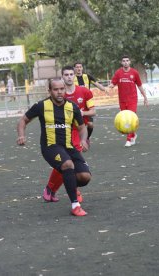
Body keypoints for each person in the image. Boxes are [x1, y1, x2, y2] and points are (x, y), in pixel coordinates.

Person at [17, 77, 91, 216]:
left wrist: (83, 140)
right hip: (50, 147)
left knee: (85, 177)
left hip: (69, 147)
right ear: (49, 91)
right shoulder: (41, 106)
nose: (59, 92)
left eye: (62, 89)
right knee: (68, 165)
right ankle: (75, 205)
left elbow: (82, 127)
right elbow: (23, 121)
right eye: (56, 89)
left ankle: (68, 185)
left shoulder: (72, 107)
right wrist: (21, 135)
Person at [43, 65, 96, 203]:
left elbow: (93, 111)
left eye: (71, 74)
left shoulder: (84, 92)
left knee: (69, 163)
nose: (69, 77)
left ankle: (52, 188)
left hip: (78, 130)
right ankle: (66, 189)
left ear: (75, 76)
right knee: (66, 162)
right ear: (62, 77)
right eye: (66, 75)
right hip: (63, 131)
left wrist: (79, 113)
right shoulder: (58, 93)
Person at [108, 55, 148, 147]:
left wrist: (145, 97)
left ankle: (129, 139)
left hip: (132, 99)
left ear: (129, 62)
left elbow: (140, 86)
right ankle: (133, 135)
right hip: (122, 100)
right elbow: (112, 84)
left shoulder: (134, 73)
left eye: (127, 60)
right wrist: (108, 88)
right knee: (124, 119)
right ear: (121, 63)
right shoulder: (118, 73)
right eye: (124, 61)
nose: (125, 62)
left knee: (130, 118)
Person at [74, 62, 106, 143]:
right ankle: (77, 140)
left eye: (80, 67)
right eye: (77, 67)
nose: (78, 68)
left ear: (82, 68)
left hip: (87, 104)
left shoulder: (87, 77)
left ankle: (86, 138)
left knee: (90, 125)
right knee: (77, 125)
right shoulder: (72, 78)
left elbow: (97, 84)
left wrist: (103, 88)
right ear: (74, 68)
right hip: (76, 104)